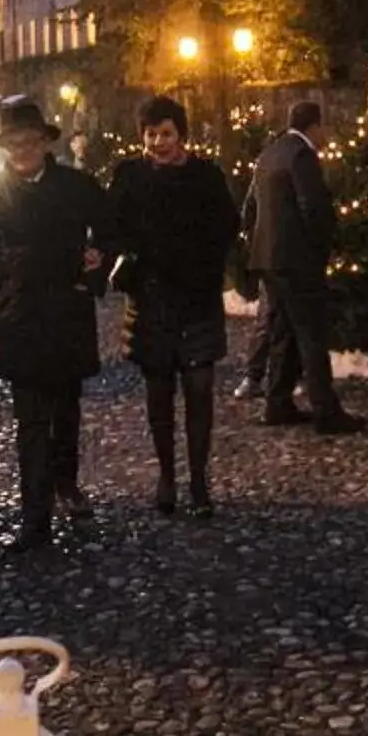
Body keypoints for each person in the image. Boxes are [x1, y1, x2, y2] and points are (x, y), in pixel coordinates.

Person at [0, 98, 110, 550]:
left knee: (66, 411)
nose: (23, 149)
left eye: (31, 141)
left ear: (46, 142)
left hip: (67, 312)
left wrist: (95, 271)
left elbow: (111, 231)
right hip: (18, 316)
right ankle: (34, 516)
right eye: (15, 143)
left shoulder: (77, 186)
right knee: (29, 421)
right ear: (4, 146)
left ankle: (66, 483)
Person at [106, 95, 243, 517]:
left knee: (200, 391)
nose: (159, 142)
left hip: (197, 299)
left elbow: (227, 227)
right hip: (151, 301)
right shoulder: (129, 177)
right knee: (159, 394)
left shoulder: (206, 177)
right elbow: (113, 227)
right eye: (151, 134)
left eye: (166, 133)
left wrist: (204, 262)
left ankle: (199, 480)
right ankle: (167, 475)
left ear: (180, 134)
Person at [244, 100, 366, 435]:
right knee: (311, 334)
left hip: (269, 258)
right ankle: (326, 410)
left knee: (283, 331)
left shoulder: (271, 152)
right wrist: (322, 246)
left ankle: (277, 402)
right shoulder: (301, 155)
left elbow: (252, 207)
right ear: (315, 125)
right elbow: (313, 207)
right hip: (297, 259)